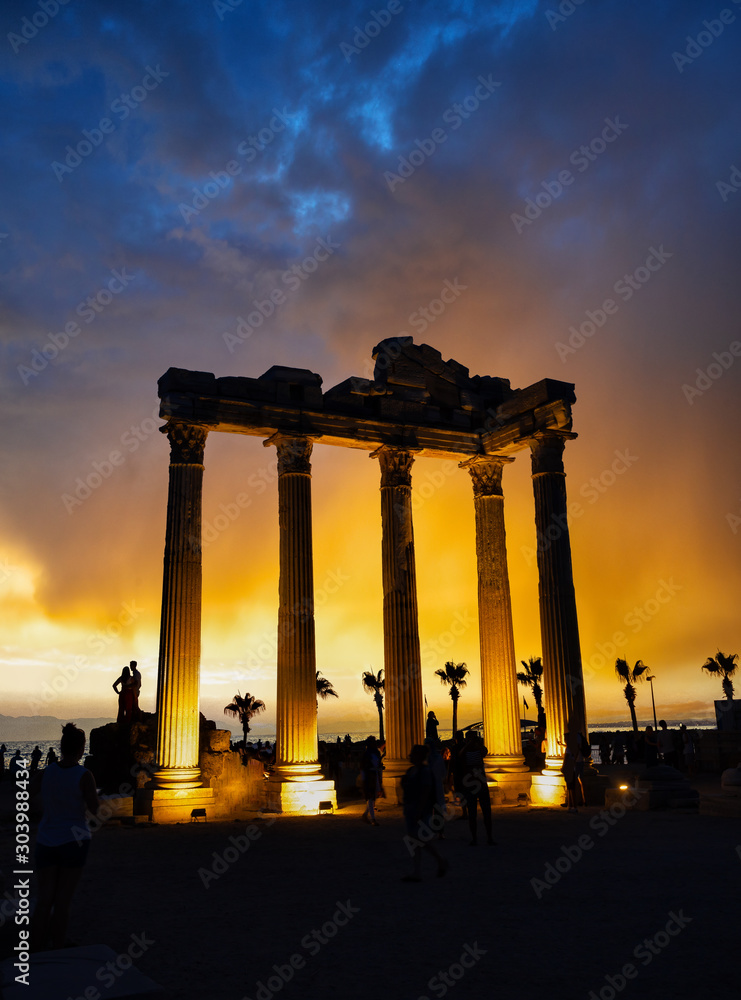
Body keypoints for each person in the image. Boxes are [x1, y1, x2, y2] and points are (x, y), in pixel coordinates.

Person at [30, 723, 99, 951]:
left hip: (46, 839)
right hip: (74, 840)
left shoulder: (46, 772)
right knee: (63, 899)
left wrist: (46, 809)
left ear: (60, 747)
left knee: (44, 898)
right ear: (81, 749)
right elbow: (94, 808)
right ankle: (58, 944)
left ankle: (37, 945)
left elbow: (29, 794)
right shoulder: (84, 775)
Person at [401, 745, 448, 881]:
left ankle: (437, 862)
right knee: (417, 840)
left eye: (413, 754)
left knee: (420, 840)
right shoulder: (412, 770)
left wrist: (420, 811)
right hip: (411, 809)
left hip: (420, 811)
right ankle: (420, 870)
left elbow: (425, 792)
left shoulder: (424, 771)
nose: (410, 755)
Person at [459, 730, 495, 846]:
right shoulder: (465, 750)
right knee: (472, 814)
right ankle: (475, 838)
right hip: (472, 785)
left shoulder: (479, 750)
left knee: (486, 812)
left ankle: (489, 837)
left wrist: (478, 744)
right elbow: (460, 756)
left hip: (480, 784)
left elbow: (485, 752)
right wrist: (469, 744)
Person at [359, 736, 382, 826]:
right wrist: (364, 779)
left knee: (373, 797)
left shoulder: (375, 753)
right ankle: (373, 819)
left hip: (374, 776)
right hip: (370, 777)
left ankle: (365, 815)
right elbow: (363, 768)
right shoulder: (367, 754)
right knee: (371, 797)